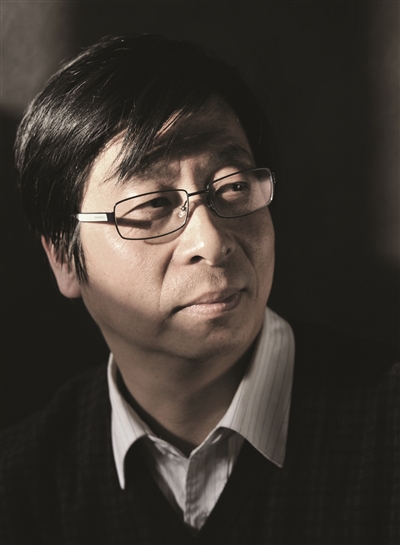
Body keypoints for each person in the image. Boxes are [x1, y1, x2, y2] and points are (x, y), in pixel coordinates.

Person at [1, 34, 398, 545]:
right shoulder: (22, 490)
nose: (211, 241)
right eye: (152, 204)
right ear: (63, 257)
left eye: (233, 187)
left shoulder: (385, 430)